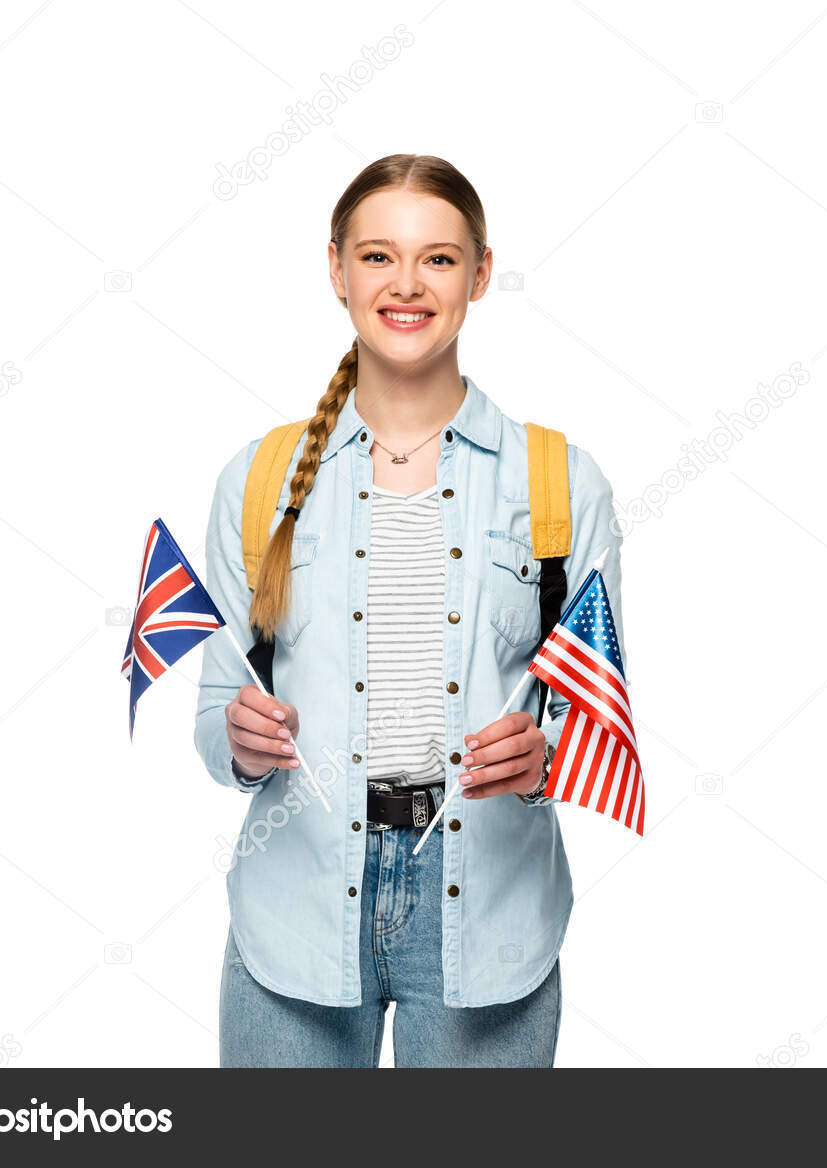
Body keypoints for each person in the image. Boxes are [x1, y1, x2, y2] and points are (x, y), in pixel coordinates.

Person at [192, 154, 627, 1067]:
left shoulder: (559, 481)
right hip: (296, 901)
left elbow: (597, 715)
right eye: (378, 255)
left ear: (480, 273)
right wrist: (239, 742)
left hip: (489, 910)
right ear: (337, 269)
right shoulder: (259, 479)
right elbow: (215, 718)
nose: (406, 284)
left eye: (438, 258)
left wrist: (544, 760)